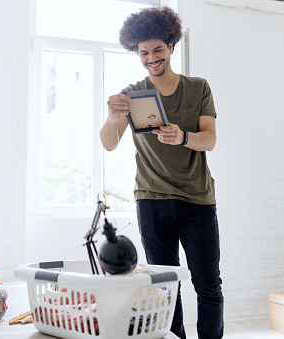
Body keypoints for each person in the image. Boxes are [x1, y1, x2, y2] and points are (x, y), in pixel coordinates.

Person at [100, 7, 223, 339]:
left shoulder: (198, 88)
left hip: (197, 200)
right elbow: (109, 144)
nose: (151, 57)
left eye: (157, 49)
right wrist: (112, 117)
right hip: (151, 200)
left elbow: (209, 139)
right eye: (144, 52)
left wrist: (182, 136)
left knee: (208, 284)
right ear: (136, 53)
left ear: (171, 46)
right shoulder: (132, 94)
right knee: (166, 287)